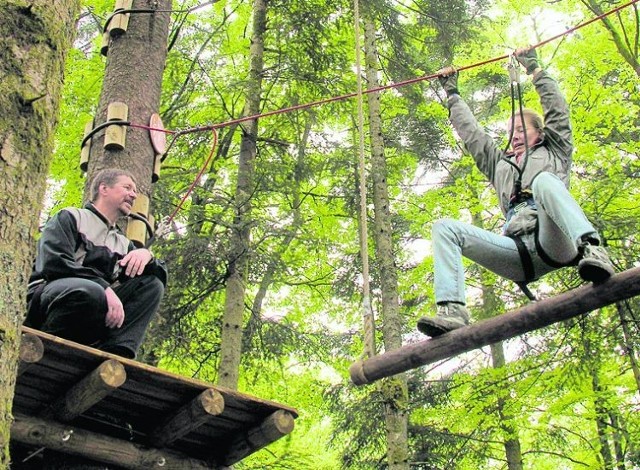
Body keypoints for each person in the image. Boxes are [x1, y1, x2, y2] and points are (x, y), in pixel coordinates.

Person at [417, 47, 615, 338]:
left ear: (540, 133)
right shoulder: (499, 165)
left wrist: (534, 69)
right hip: (517, 252)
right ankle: (452, 309)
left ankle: (592, 248)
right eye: (512, 131)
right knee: (445, 228)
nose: (516, 135)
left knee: (545, 182)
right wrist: (452, 94)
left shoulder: (556, 150)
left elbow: (557, 109)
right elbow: (473, 135)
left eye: (522, 129)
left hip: (554, 240)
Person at [25, 168, 167, 358]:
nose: (133, 195)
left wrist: (145, 255)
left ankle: (115, 352)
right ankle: (52, 344)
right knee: (91, 291)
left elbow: (157, 277)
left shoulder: (123, 244)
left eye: (134, 191)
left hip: (93, 309)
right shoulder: (70, 217)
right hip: (48, 301)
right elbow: (53, 263)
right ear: (104, 188)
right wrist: (104, 288)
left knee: (152, 285)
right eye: (127, 187)